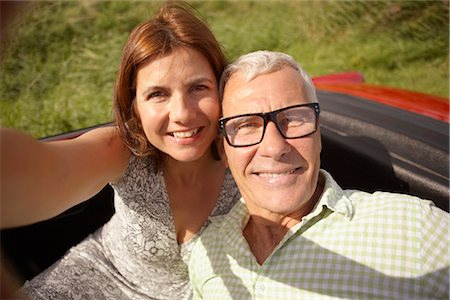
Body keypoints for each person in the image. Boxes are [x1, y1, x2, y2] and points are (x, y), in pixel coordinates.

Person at [0, 2, 240, 299]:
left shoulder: (246, 150)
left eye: (198, 88)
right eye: (157, 94)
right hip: (95, 278)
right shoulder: (121, 149)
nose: (182, 113)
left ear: (221, 87)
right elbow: (44, 171)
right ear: (134, 106)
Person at [189, 50, 449, 299]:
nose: (274, 147)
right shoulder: (207, 251)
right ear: (223, 150)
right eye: (246, 125)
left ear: (318, 133)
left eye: (292, 119)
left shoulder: (411, 228)